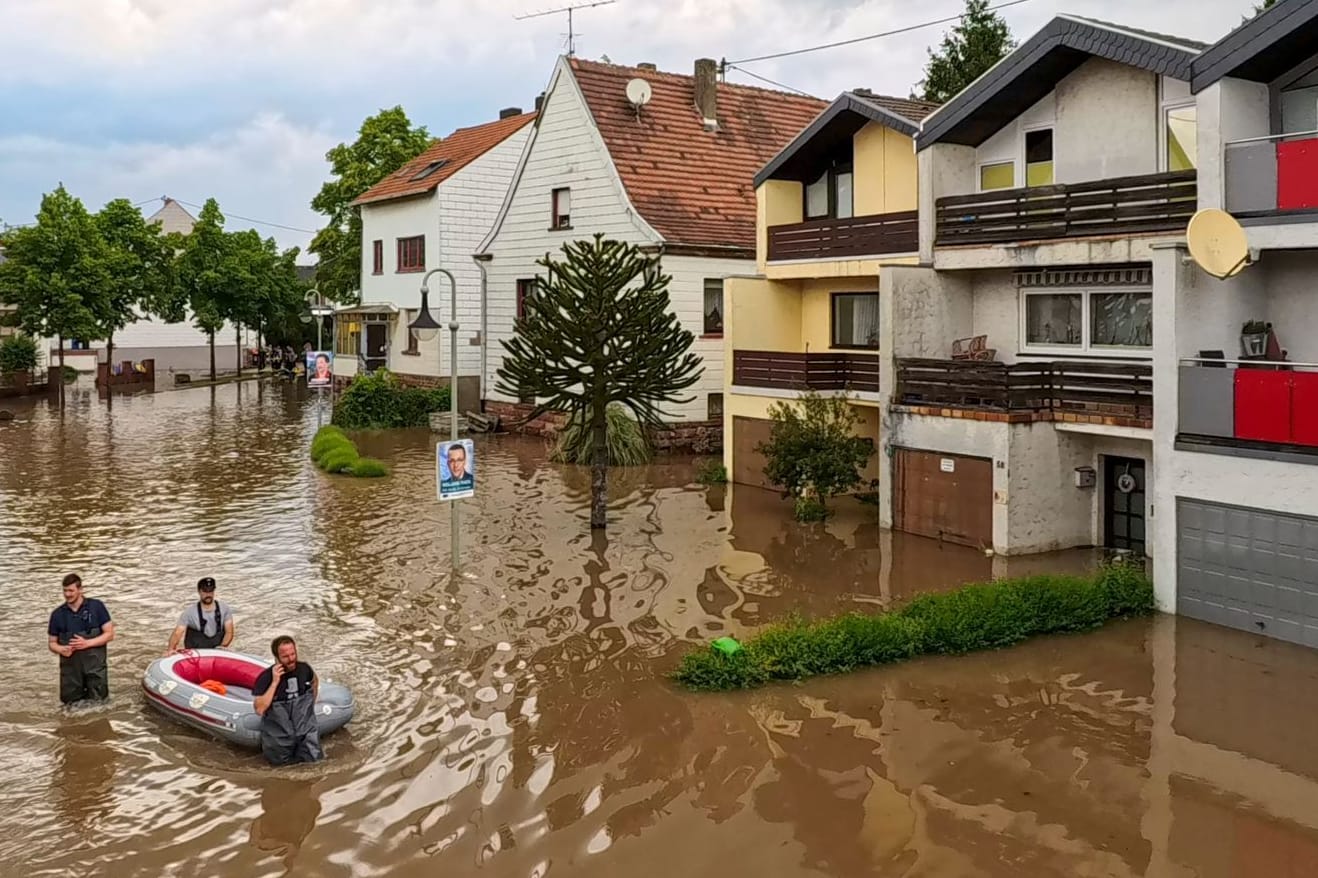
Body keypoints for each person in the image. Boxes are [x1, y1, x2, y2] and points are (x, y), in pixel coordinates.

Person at [253, 636, 323, 766]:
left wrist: (310, 706)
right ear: (277, 658)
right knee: (282, 767)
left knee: (315, 762)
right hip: (280, 735)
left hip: (305, 730)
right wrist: (275, 682)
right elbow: (260, 708)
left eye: (293, 654)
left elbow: (315, 681)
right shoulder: (265, 678)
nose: (291, 659)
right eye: (285, 656)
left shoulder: (305, 669)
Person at [47, 573, 115, 704]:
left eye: (71, 590)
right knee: (70, 707)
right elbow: (52, 643)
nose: (67, 594)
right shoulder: (57, 615)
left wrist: (87, 643)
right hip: (70, 673)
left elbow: (109, 634)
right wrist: (61, 649)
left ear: (80, 590)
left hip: (95, 669)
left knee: (100, 705)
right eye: (65, 591)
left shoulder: (97, 607)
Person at [165, 576, 234, 654]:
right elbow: (178, 633)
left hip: (218, 651)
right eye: (205, 591)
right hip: (195, 654)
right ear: (199, 591)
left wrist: (223, 647)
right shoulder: (189, 612)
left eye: (210, 591)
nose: (208, 594)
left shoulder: (224, 609)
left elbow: (229, 632)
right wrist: (170, 650)